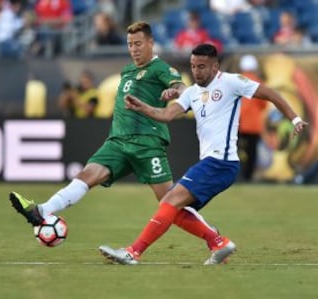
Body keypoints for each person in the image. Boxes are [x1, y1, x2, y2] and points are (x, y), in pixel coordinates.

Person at [9, 22, 226, 256]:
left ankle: (215, 238)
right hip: (117, 142)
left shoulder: (161, 68)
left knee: (169, 202)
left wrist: (176, 92)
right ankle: (42, 210)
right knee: (86, 176)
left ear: (151, 43)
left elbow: (181, 87)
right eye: (130, 44)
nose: (133, 49)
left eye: (138, 44)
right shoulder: (127, 71)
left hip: (147, 144)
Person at [98, 43, 308, 265]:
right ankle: (218, 242)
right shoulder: (191, 93)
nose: (196, 71)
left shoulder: (231, 81)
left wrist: (294, 118)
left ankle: (133, 252)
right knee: (175, 209)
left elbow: (271, 93)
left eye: (201, 66)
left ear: (215, 66)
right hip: (211, 162)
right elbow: (167, 114)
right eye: (193, 66)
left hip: (222, 162)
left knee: (169, 200)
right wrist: (143, 108)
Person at [237, 54, 267, 181]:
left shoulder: (236, 81)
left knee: (235, 151)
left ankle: (234, 176)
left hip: (237, 123)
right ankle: (247, 177)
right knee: (251, 153)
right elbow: (263, 104)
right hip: (253, 125)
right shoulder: (258, 83)